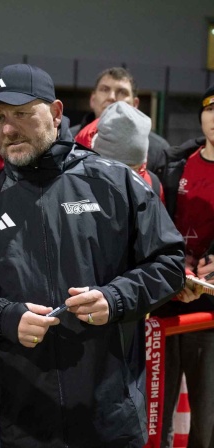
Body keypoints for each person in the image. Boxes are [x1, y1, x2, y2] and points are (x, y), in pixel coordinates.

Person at [0, 63, 186, 448]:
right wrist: (5, 317)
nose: (8, 129)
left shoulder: (116, 184)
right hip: (23, 422)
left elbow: (169, 263)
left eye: (22, 113)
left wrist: (115, 298)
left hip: (109, 416)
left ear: (57, 113)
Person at [154, 84, 214, 448]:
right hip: (167, 301)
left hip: (208, 312)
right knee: (157, 411)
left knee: (206, 419)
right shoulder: (174, 164)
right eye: (211, 109)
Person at [70, 67, 169, 179]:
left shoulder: (157, 149)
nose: (112, 97)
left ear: (135, 104)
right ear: (92, 99)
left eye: (122, 92)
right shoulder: (68, 139)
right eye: (105, 89)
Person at [88, 101, 165, 201]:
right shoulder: (79, 182)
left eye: (133, 169)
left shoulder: (152, 186)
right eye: (115, 170)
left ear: (142, 164)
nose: (124, 179)